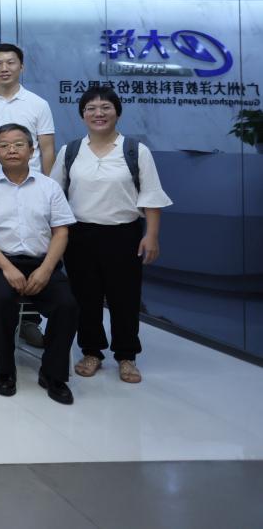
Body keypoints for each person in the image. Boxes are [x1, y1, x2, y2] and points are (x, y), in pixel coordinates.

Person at [51, 87, 171, 384]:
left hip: (124, 235)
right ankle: (91, 351)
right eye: (91, 108)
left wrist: (152, 235)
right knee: (85, 297)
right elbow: (54, 195)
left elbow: (151, 195)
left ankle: (126, 356)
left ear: (117, 112)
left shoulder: (135, 150)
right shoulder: (71, 151)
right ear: (82, 115)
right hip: (79, 235)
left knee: (125, 298)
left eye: (105, 107)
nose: (98, 113)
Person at [0, 124, 78, 404]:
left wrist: (46, 269)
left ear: (32, 149)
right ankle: (5, 371)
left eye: (18, 144)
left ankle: (53, 374)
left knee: (67, 305)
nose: (12, 150)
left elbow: (61, 232)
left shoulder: (49, 187)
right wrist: (7, 268)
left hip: (43, 262)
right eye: (4, 146)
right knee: (0, 299)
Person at [0, 43, 56, 206]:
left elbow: (47, 149)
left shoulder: (39, 104)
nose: (4, 68)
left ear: (21, 67)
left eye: (11, 62)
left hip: (31, 185)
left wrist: (50, 187)